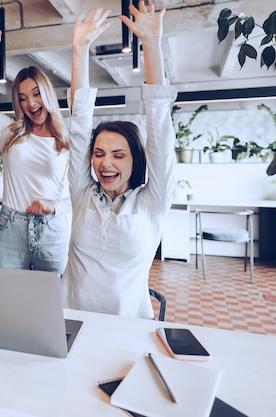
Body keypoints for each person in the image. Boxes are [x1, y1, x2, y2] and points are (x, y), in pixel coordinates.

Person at [63, 2, 177, 319]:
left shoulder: (153, 202)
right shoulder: (81, 192)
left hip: (129, 328)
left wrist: (151, 43)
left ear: (134, 159)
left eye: (118, 155)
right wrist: (79, 48)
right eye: (98, 154)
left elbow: (160, 129)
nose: (105, 163)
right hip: (69, 320)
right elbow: (80, 122)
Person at [0, 24, 71, 275]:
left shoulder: (67, 140)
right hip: (11, 228)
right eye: (22, 97)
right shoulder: (8, 131)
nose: (30, 103)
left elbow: (79, 194)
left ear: (47, 94)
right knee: (3, 300)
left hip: (53, 230)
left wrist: (55, 206)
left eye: (36, 93)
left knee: (51, 304)